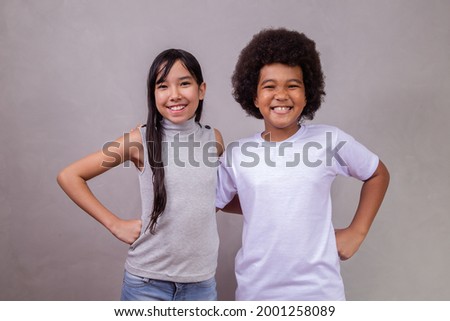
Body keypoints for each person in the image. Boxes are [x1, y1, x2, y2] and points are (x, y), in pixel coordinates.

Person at [216, 28, 390, 300]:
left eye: (293, 85)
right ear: (254, 96)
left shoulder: (329, 141)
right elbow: (213, 199)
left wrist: (358, 231)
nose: (281, 95)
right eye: (269, 86)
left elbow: (377, 173)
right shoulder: (238, 153)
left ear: (308, 93)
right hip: (256, 293)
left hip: (319, 293)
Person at [57, 49, 223, 301]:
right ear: (153, 94)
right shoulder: (139, 140)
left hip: (200, 283)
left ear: (201, 90)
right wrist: (115, 225)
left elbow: (210, 195)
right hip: (147, 284)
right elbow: (70, 176)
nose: (175, 94)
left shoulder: (214, 139)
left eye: (185, 83)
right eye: (163, 86)